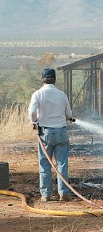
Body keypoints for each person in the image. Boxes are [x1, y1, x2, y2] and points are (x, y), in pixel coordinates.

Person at [28, 68, 73, 202]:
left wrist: (33, 122)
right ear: (54, 80)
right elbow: (69, 115)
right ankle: (63, 193)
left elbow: (32, 112)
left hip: (45, 133)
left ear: (42, 80)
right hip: (61, 133)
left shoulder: (37, 94)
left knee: (45, 164)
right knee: (62, 164)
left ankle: (46, 195)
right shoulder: (62, 94)